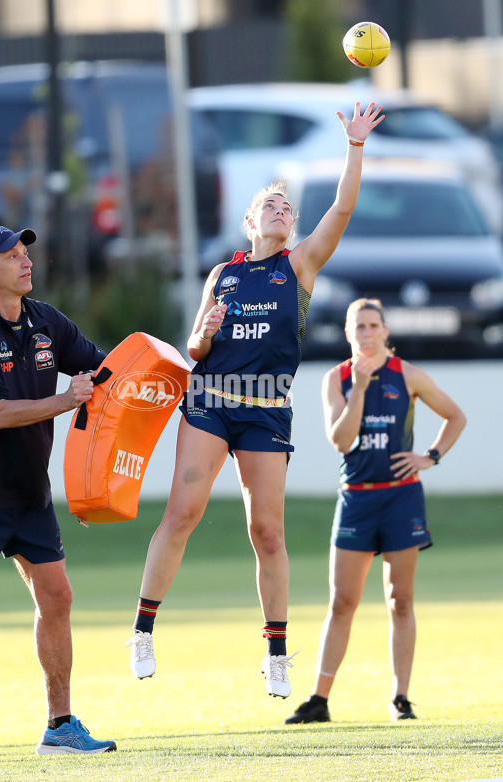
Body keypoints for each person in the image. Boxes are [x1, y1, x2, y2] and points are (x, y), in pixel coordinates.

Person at [125, 102, 386, 699]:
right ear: (250, 219)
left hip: (267, 407)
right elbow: (194, 347)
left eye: (288, 208)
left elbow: (342, 210)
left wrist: (354, 147)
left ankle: (275, 651)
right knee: (182, 513)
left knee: (267, 531)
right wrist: (206, 333)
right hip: (212, 401)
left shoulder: (298, 266)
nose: (283, 211)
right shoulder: (224, 275)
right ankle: (143, 628)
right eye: (272, 205)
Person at [0, 226, 117, 763]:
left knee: (57, 598)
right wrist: (67, 400)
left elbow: (103, 370)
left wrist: (170, 373)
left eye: (25, 253)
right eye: (11, 256)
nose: (25, 261)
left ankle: (59, 726)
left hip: (31, 495)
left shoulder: (47, 322)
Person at [284, 298, 466, 724]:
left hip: (401, 496)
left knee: (400, 600)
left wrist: (430, 456)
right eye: (358, 327)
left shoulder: (408, 376)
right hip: (356, 498)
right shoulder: (338, 379)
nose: (366, 333)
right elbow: (341, 441)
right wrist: (361, 390)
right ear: (348, 334)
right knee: (342, 600)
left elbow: (455, 416)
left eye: (373, 326)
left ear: (385, 331)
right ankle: (319, 700)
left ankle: (400, 699)